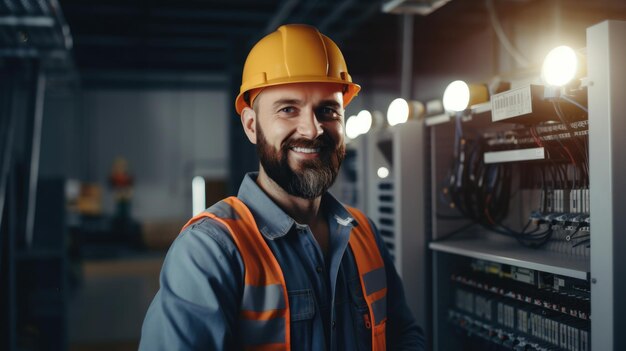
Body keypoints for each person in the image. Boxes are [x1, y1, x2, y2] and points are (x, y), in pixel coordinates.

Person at [139, 23, 424, 351]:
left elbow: (404, 336)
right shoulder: (210, 251)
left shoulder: (365, 235)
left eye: (328, 110)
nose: (313, 129)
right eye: (288, 109)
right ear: (251, 126)